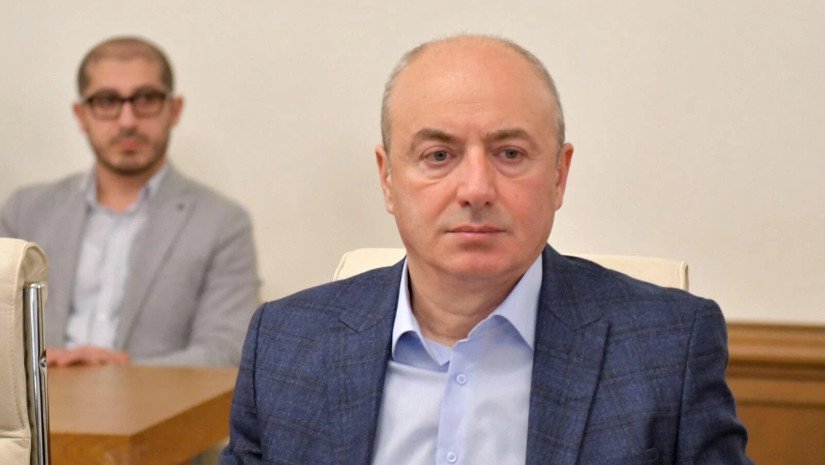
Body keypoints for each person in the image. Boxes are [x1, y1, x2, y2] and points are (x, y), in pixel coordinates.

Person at [222, 35, 752, 464]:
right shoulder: (286, 343)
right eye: (438, 155)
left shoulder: (668, 347)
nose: (476, 189)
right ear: (387, 179)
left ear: (559, 175)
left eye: (510, 153)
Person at [0, 36, 260, 367]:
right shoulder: (25, 211)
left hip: (155, 400)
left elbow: (226, 351)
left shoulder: (222, 222)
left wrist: (119, 375)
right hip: (41, 399)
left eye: (146, 98)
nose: (127, 121)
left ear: (174, 110)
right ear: (81, 115)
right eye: (107, 101)